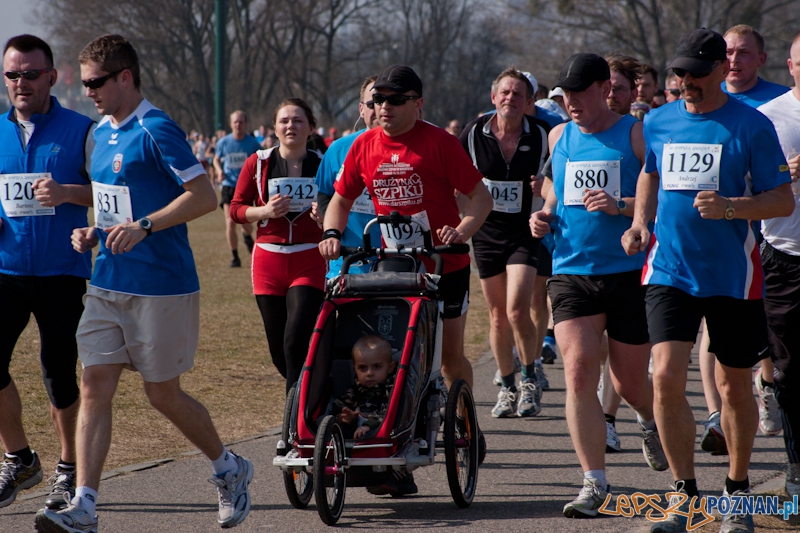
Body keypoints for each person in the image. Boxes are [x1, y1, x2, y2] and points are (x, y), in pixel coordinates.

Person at [34, 34, 254, 533]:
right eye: (85, 82)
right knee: (94, 384)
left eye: (96, 82)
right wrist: (94, 228)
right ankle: (85, 506)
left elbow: (202, 197)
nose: (87, 91)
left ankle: (229, 468)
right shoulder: (100, 133)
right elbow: (114, 195)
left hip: (162, 286)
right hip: (108, 281)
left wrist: (145, 227)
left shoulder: (157, 129)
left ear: (125, 77)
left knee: (162, 395)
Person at [622, 28, 794, 533]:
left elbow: (781, 200)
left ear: (721, 68)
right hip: (668, 269)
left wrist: (732, 208)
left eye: (696, 73)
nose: (685, 82)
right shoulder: (658, 121)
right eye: (679, 73)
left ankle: (737, 494)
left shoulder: (751, 126)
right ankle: (685, 496)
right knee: (667, 376)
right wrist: (639, 222)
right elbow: (650, 172)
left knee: (734, 385)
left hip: (733, 277)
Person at [319, 63, 493, 457]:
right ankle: (397, 428)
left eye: (395, 100)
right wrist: (331, 233)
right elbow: (341, 201)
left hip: (445, 264)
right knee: (397, 349)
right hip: (396, 265)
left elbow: (482, 198)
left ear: (418, 104)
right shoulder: (364, 146)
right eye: (378, 100)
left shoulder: (440, 143)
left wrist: (461, 232)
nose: (384, 107)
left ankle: (467, 422)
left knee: (448, 358)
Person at [529, 53, 666, 519]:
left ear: (604, 88)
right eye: (564, 94)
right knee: (580, 372)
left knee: (630, 384)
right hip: (571, 271)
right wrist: (543, 215)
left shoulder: (635, 133)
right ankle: (595, 482)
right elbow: (552, 187)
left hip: (628, 273)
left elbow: (663, 199)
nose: (570, 103)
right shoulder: (559, 134)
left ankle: (647, 420)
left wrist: (621, 205)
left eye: (579, 94)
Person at [0, 34, 94, 512]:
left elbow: (110, 192)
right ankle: (19, 459)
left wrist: (68, 193)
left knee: (58, 375)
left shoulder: (81, 129)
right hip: (6, 269)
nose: (21, 82)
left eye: (30, 73)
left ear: (52, 77)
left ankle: (69, 470)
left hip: (61, 271)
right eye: (12, 74)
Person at [459, 67, 549, 418]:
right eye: (505, 93)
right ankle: (508, 387)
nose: (510, 98)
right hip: (486, 232)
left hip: (525, 231)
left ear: (529, 102)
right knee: (498, 317)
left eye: (518, 94)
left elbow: (559, 176)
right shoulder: (473, 133)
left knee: (516, 309)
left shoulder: (543, 135)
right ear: (493, 98)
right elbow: (457, 182)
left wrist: (545, 188)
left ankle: (530, 378)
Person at [229, 98, 325, 394]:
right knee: (279, 351)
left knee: (295, 339)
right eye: (284, 121)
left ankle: (294, 421)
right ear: (274, 128)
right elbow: (236, 209)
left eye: (298, 121)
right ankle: (316, 391)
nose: (290, 126)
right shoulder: (258, 163)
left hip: (309, 259)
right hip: (268, 262)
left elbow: (340, 209)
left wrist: (325, 216)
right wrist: (265, 212)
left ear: (311, 128)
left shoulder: (323, 164)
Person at [756, 31, 800, 498]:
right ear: (790, 67)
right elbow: (748, 188)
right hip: (785, 258)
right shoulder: (766, 119)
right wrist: (787, 173)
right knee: (789, 372)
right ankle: (796, 469)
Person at [315, 75, 381, 278]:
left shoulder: (412, 150)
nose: (379, 108)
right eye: (372, 103)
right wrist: (331, 226)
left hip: (401, 259)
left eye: (385, 102)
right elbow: (324, 194)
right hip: (350, 261)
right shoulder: (338, 149)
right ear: (361, 109)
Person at [213, 110, 260, 268]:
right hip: (229, 185)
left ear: (245, 124)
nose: (238, 125)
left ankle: (247, 236)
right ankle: (235, 257)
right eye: (235, 122)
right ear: (231, 124)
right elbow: (216, 159)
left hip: (246, 186)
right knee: (231, 221)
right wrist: (219, 171)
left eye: (241, 122)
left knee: (246, 224)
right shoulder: (224, 142)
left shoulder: (252, 143)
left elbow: (260, 160)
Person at [334, 335, 396, 439]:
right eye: (362, 368)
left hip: (382, 433)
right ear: (355, 370)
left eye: (376, 366)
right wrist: (346, 417)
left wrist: (368, 426)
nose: (369, 373)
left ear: (390, 368)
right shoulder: (355, 391)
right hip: (356, 434)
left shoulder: (391, 389)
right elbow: (339, 407)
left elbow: (390, 411)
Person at [723, 24, 790, 107]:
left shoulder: (783, 99)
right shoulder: (707, 96)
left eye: (743, 52)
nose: (734, 60)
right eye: (728, 52)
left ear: (761, 59)